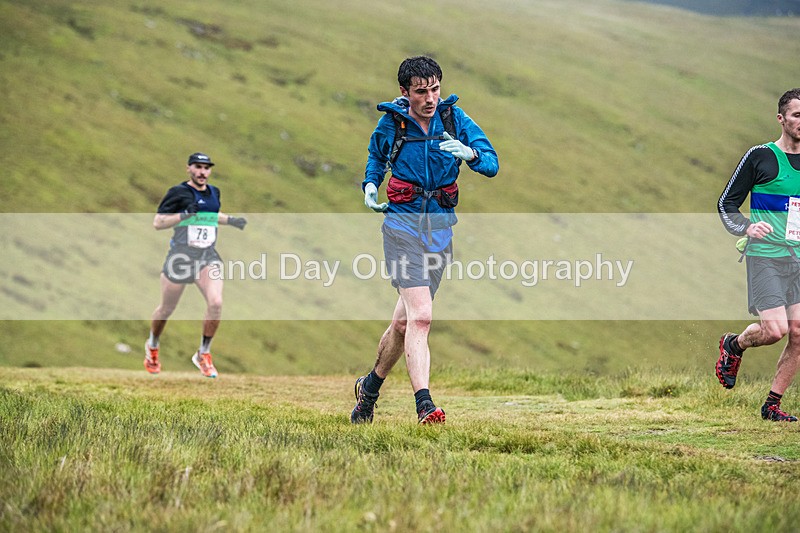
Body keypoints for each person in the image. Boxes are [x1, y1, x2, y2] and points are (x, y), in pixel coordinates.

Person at [351, 56, 499, 424]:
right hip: (401, 228)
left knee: (404, 324)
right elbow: (376, 158)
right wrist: (371, 185)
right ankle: (425, 406)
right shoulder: (392, 125)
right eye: (422, 92)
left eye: (435, 89)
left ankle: (368, 392)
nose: (431, 98)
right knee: (422, 317)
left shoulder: (455, 120)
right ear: (405, 92)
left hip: (439, 231)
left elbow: (492, 164)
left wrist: (471, 154)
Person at [716, 88, 800, 422]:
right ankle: (734, 345)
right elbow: (727, 203)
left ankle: (772, 406)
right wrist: (746, 227)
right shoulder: (760, 157)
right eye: (797, 115)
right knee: (775, 330)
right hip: (765, 256)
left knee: (799, 333)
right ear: (781, 119)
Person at [144, 152, 247, 378]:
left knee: (216, 302)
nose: (202, 172)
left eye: (206, 168)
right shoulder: (178, 193)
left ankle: (203, 353)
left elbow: (212, 213)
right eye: (198, 167)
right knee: (167, 309)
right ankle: (152, 346)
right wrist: (183, 215)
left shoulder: (214, 192)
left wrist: (231, 220)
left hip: (206, 256)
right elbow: (158, 223)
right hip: (180, 257)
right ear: (189, 168)